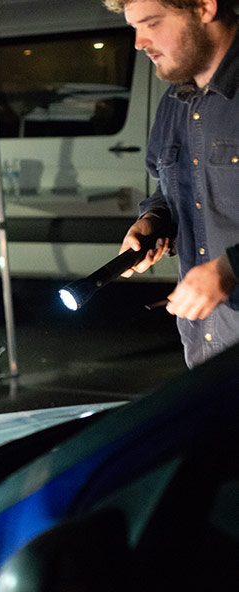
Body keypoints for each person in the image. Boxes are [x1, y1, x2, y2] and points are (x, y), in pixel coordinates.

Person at [106, 0, 239, 366]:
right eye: (134, 27)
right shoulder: (175, 102)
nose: (139, 42)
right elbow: (173, 187)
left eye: (151, 23)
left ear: (204, 7)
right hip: (208, 350)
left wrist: (230, 269)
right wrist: (154, 220)